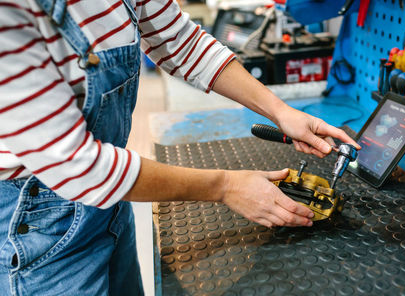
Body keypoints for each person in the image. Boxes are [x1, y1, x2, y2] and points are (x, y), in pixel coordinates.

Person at [0, 0, 359, 294]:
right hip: (37, 228)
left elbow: (180, 40)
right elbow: (77, 166)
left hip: (111, 200)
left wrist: (281, 112)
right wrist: (227, 186)